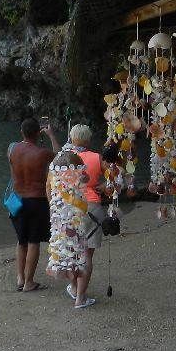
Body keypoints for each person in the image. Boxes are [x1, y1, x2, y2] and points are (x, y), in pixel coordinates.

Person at [8, 117, 59, 292]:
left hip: (17, 201)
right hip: (36, 200)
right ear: (38, 133)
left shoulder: (11, 149)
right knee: (33, 241)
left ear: (21, 132)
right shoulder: (42, 153)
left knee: (21, 240)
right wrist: (51, 135)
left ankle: (20, 278)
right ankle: (29, 282)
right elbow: (59, 159)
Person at [64, 124, 104, 309]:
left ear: (72, 138)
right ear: (88, 140)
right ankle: (80, 297)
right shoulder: (97, 157)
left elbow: (53, 183)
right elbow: (114, 180)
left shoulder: (64, 158)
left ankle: (73, 287)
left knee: (72, 251)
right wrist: (101, 187)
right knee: (87, 254)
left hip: (70, 206)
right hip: (92, 207)